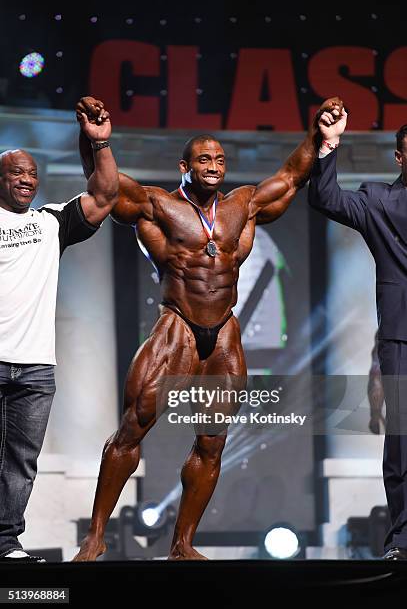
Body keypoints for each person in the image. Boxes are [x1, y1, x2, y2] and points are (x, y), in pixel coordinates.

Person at [73, 95, 342, 561]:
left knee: (212, 443)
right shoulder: (158, 206)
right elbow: (108, 190)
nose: (213, 165)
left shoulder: (243, 206)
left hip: (223, 334)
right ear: (184, 166)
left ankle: (183, 543)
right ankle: (96, 536)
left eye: (219, 158)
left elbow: (293, 175)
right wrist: (96, 143)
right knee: (132, 429)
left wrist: (318, 132)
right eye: (204, 158)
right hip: (176, 326)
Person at [0, 101, 119, 562]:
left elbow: (105, 194)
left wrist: (100, 140)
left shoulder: (49, 222)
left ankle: (5, 542)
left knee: (20, 462)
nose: (27, 179)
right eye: (16, 173)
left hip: (35, 367)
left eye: (32, 173)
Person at [309, 108, 407, 560]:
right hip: (402, 338)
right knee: (403, 445)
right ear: (399, 157)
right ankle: (402, 541)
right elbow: (326, 199)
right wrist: (327, 145)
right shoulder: (379, 201)